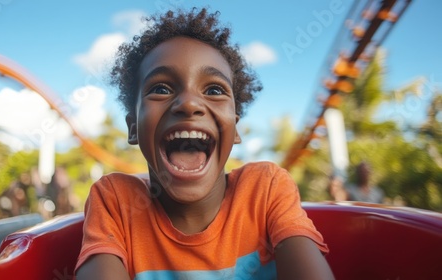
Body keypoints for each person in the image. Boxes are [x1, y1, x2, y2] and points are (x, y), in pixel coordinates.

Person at [75, 8, 334, 280]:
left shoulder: (265, 190)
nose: (188, 103)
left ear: (234, 128)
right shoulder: (116, 201)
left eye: (213, 90)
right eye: (161, 89)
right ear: (133, 128)